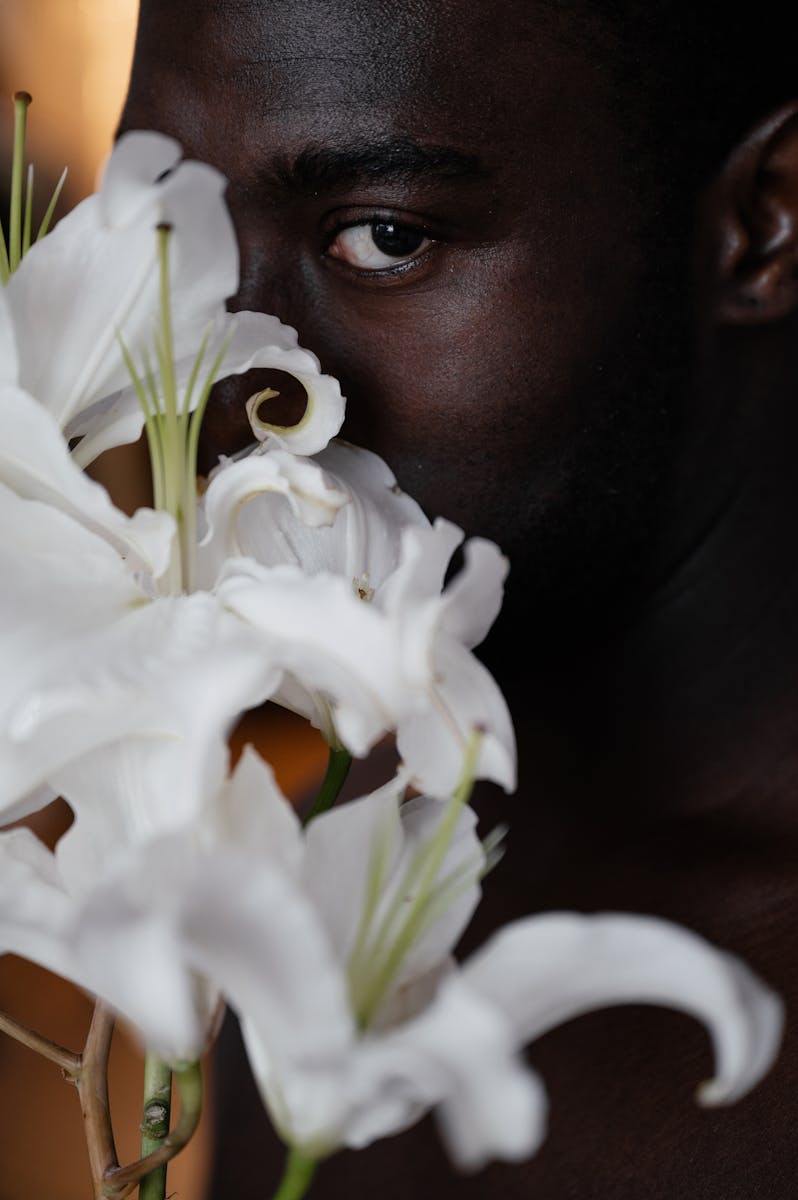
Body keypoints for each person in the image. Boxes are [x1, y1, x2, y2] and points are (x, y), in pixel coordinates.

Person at [119, 3, 798, 1196]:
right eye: (177, 238)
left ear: (766, 220)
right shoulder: (307, 862)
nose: (233, 392)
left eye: (383, 237)